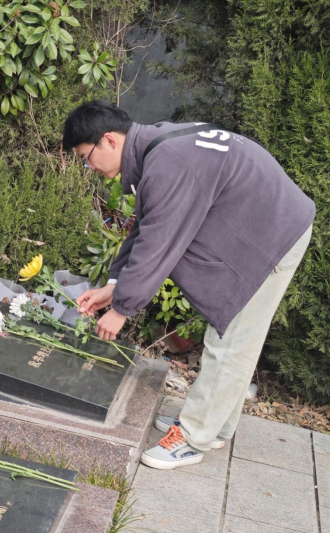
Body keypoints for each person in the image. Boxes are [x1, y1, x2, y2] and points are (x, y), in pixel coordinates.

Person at [63, 100, 315, 471]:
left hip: (273, 235)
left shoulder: (168, 162)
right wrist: (113, 286)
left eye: (86, 158)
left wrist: (121, 309)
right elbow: (148, 227)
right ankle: (216, 427)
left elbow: (157, 244)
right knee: (233, 339)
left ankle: (193, 437)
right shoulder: (157, 145)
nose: (89, 168)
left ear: (109, 140)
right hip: (264, 224)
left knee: (230, 342)